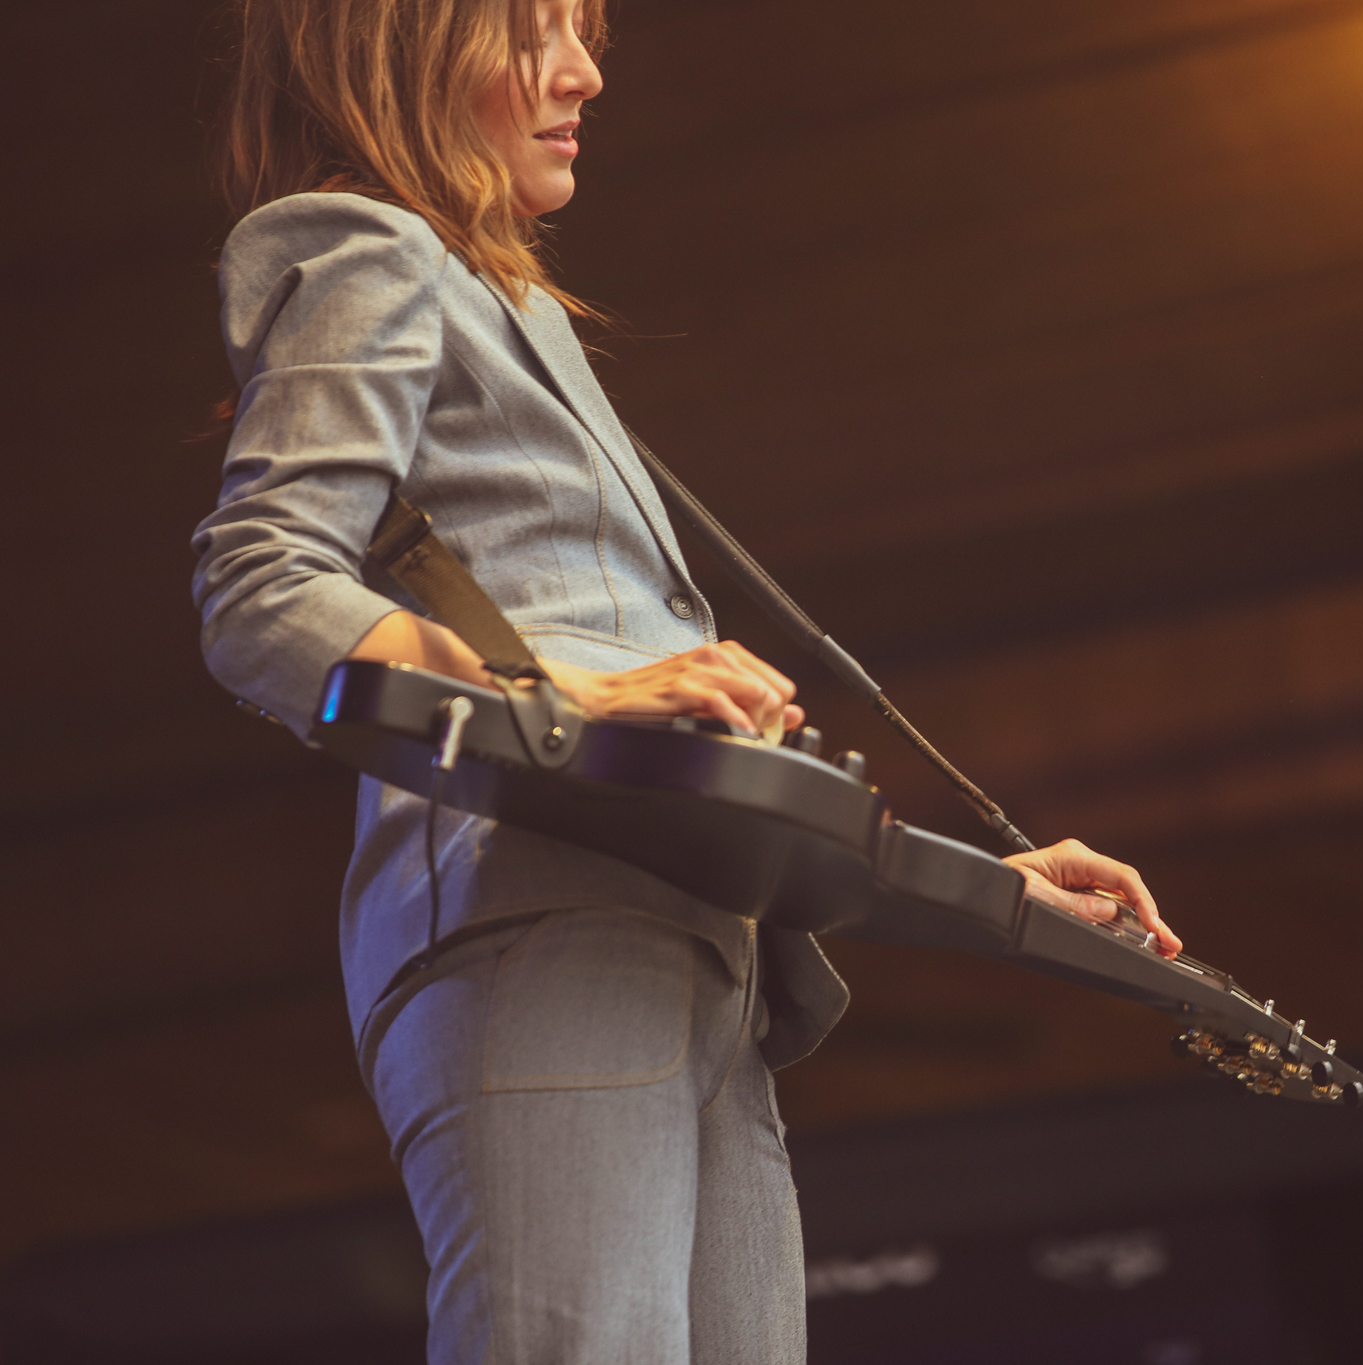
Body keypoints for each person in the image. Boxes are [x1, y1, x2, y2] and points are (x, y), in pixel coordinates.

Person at [191, 1, 1183, 1360]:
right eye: (537, 29)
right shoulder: (359, 242)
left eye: (585, 30)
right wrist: (569, 708)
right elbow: (263, 595)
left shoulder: (505, 306)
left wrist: (992, 880)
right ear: (396, 47)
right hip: (535, 910)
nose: (585, 72)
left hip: (683, 928)